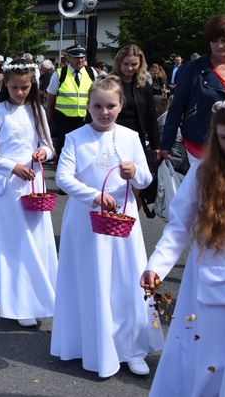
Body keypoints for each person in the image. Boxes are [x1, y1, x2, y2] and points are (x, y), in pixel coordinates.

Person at [51, 76, 162, 377]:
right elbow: (64, 177)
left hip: (124, 220)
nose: (104, 112)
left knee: (126, 280)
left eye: (110, 106)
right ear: (87, 106)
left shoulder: (130, 136)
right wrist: (94, 195)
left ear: (120, 106)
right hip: (87, 221)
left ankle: (131, 348)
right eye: (97, 106)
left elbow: (146, 181)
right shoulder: (75, 137)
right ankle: (87, 343)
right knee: (91, 279)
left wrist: (135, 171)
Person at [141, 98, 225, 395]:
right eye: (224, 138)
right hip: (211, 275)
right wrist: (155, 265)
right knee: (209, 357)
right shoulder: (203, 173)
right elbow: (179, 226)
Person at [0, 59, 57, 327]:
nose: (19, 92)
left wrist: (43, 152)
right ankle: (19, 302)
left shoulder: (37, 110)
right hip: (9, 186)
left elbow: (49, 145)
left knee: (36, 240)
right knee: (16, 242)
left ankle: (36, 295)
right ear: (5, 85)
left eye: (24, 87)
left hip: (34, 183)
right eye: (14, 87)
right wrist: (12, 166)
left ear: (32, 85)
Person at [160, 14, 225, 169]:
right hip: (200, 143)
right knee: (207, 190)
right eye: (214, 41)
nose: (219, 45)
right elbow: (176, 108)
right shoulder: (192, 69)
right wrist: (166, 144)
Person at [110, 44, 159, 175]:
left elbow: (151, 116)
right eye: (126, 64)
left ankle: (137, 197)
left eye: (134, 64)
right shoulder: (109, 83)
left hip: (137, 138)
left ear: (140, 64)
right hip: (113, 138)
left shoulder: (143, 85)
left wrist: (156, 145)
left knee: (137, 176)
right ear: (119, 63)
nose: (130, 68)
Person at [46, 46, 95, 158]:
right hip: (64, 120)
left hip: (85, 119)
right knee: (65, 150)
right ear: (69, 58)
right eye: (76, 58)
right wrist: (49, 116)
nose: (80, 60)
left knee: (84, 151)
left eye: (82, 58)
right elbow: (51, 97)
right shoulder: (59, 74)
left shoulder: (91, 72)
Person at [154, 96, 189, 175]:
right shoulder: (164, 118)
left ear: (156, 110)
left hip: (175, 159)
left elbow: (158, 146)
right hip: (172, 156)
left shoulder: (165, 122)